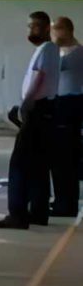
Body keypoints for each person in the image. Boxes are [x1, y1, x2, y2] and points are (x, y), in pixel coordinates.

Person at [0, 11, 59, 229]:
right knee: (38, 163)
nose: (31, 30)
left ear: (47, 28)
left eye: (35, 26)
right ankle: (38, 212)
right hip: (42, 109)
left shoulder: (47, 49)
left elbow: (39, 78)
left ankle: (18, 214)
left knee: (19, 164)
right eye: (29, 26)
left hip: (38, 109)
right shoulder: (47, 50)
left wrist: (25, 104)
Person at [50, 16, 83, 217]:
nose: (55, 33)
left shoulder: (77, 53)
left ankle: (66, 204)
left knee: (65, 158)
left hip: (69, 104)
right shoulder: (65, 53)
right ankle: (62, 200)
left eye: (57, 29)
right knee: (59, 157)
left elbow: (55, 66)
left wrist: (52, 45)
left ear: (68, 30)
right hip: (62, 103)